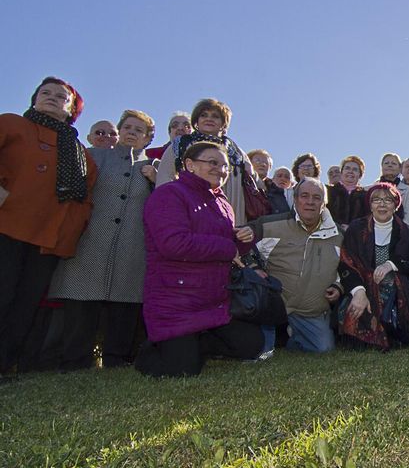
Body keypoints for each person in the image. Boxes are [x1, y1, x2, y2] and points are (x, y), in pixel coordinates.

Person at [135, 141, 263, 377]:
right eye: (212, 163)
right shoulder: (169, 194)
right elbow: (173, 244)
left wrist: (242, 238)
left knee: (252, 345)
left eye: (225, 166)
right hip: (177, 298)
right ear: (190, 164)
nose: (221, 170)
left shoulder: (222, 202)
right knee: (182, 370)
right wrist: (227, 246)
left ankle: (199, 342)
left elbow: (226, 247)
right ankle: (154, 349)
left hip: (213, 300)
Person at [48, 109, 159, 370]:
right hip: (91, 240)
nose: (132, 133)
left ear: (147, 139)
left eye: (138, 130)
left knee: (125, 303)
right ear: (119, 131)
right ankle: (74, 361)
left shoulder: (155, 169)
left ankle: (117, 359)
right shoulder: (94, 156)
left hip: (132, 245)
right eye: (128, 127)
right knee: (81, 303)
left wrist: (156, 182)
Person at [0, 77, 96, 375]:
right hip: (8, 226)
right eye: (46, 93)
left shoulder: (81, 154)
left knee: (25, 304)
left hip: (49, 239)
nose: (53, 98)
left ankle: (4, 364)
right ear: (34, 98)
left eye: (61, 96)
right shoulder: (11, 124)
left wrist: (71, 233)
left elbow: (85, 198)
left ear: (71, 109)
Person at [248, 177, 342, 353]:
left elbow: (347, 268)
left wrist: (338, 286)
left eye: (317, 197)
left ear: (324, 203)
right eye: (304, 196)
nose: (310, 202)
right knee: (256, 352)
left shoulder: (339, 234)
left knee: (324, 349)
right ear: (295, 199)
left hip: (310, 311)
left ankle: (293, 338)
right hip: (271, 306)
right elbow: (240, 246)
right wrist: (253, 267)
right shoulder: (270, 225)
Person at [338, 183, 409, 350]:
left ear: (395, 205)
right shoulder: (356, 228)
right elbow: (346, 263)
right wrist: (359, 292)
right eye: (376, 200)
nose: (382, 204)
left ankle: (392, 335)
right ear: (370, 205)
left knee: (390, 289)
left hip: (396, 288)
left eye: (388, 200)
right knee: (353, 307)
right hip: (361, 283)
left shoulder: (406, 231)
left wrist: (391, 264)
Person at [156, 98, 259, 222]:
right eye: (204, 115)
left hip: (234, 216)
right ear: (196, 121)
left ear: (223, 124)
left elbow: (254, 181)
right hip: (192, 214)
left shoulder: (235, 150)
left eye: (215, 116)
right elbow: (164, 178)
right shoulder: (181, 144)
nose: (209, 119)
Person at [327, 155, 367, 230]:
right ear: (341, 172)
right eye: (347, 168)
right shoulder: (329, 191)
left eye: (355, 169)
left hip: (355, 237)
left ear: (360, 175)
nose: (350, 171)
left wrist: (352, 228)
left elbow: (366, 219)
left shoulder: (365, 196)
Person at [376, 152, 409, 224]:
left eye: (394, 163)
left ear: (400, 169)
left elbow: (408, 217)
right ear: (382, 167)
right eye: (386, 163)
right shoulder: (368, 190)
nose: (390, 165)